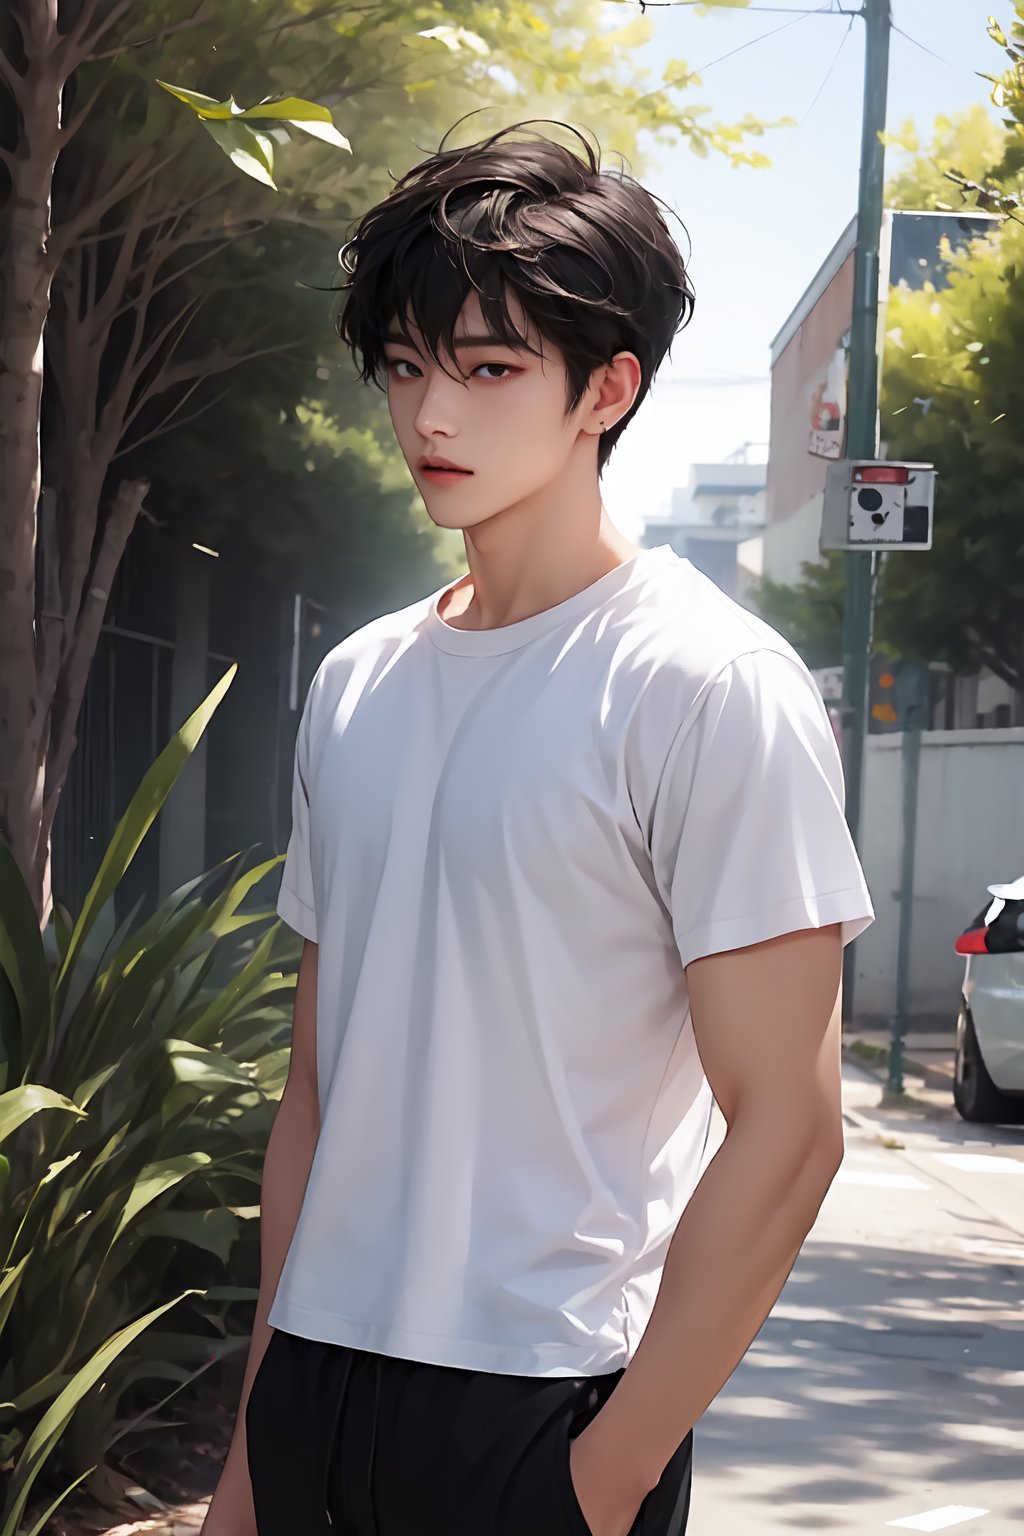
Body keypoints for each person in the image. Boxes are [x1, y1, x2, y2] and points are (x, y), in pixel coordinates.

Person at [201, 120, 875, 1536]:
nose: (431, 416)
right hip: (316, 1393)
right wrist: (253, 1452)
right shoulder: (358, 681)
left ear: (605, 390)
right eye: (405, 366)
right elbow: (317, 1093)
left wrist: (605, 1476)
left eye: (489, 368)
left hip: (539, 1410)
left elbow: (792, 1124)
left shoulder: (706, 683)